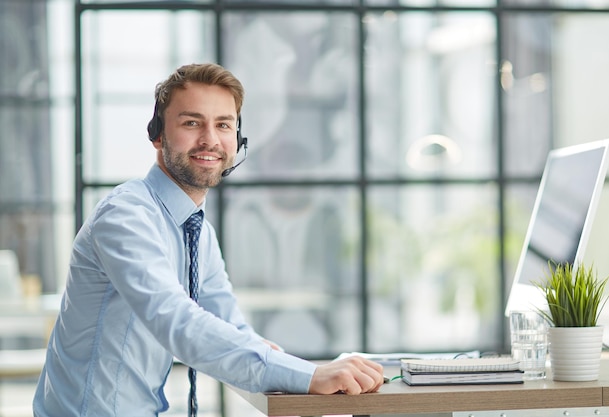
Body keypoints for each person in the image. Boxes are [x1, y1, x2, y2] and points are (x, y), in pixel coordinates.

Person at [33, 63, 384, 416]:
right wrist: (310, 375)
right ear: (157, 135)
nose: (210, 140)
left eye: (223, 125)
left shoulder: (196, 228)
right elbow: (177, 322)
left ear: (237, 139)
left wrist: (303, 367)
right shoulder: (126, 215)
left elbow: (229, 325)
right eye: (191, 123)